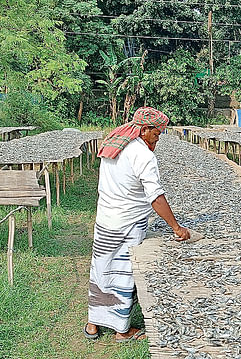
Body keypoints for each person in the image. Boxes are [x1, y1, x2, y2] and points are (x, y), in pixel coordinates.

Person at [84, 107, 191, 342]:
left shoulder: (115, 143)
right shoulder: (143, 156)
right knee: (123, 274)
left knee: (101, 268)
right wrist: (176, 227)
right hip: (127, 223)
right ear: (144, 130)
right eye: (157, 133)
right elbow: (156, 197)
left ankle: (93, 323)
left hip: (105, 219)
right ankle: (122, 330)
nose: (159, 137)